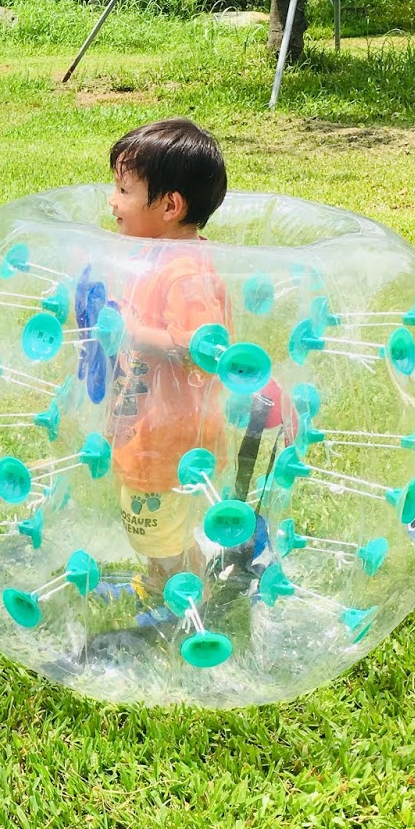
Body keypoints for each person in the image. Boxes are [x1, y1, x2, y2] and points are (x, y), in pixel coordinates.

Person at [104, 119, 231, 596]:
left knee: (154, 528)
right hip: (149, 423)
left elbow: (204, 350)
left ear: (170, 206)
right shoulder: (159, 254)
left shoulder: (185, 272)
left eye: (123, 190)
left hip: (170, 437)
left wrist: (134, 334)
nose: (112, 201)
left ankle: (183, 596)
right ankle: (169, 580)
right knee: (153, 527)